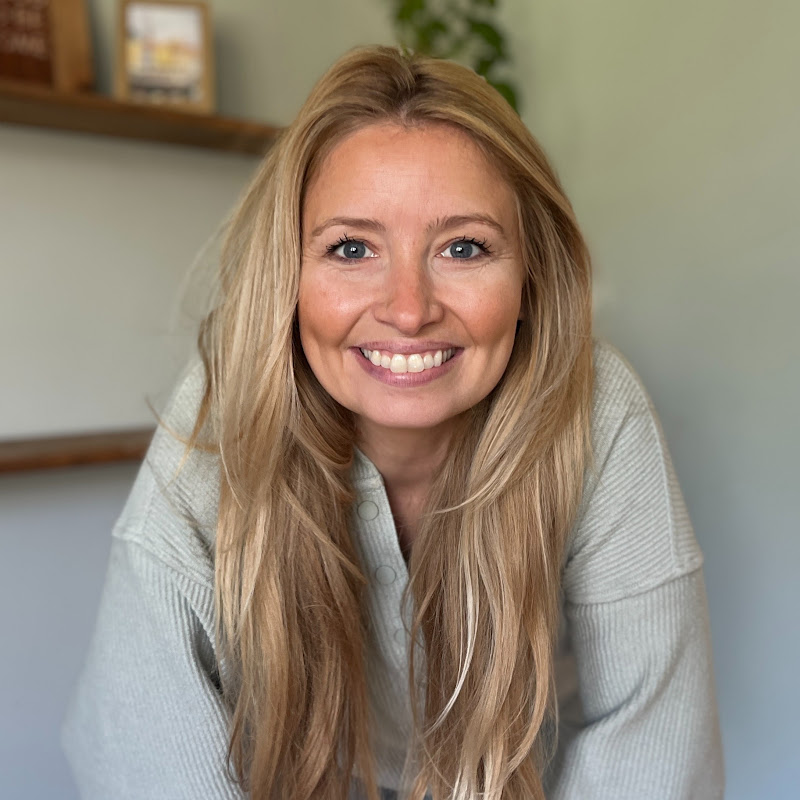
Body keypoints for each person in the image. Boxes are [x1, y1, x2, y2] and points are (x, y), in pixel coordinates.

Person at [62, 45, 724, 800]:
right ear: (288, 275)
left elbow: (653, 741)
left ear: (531, 278)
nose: (409, 310)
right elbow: (143, 744)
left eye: (463, 247)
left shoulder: (596, 407)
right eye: (351, 248)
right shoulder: (227, 411)